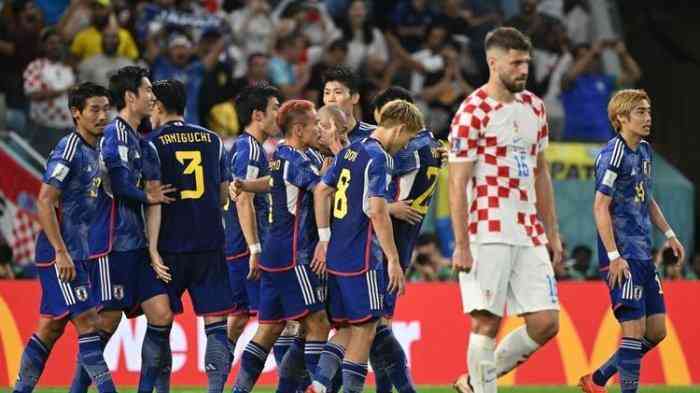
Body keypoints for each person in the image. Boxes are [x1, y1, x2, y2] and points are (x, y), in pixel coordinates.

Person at [448, 27, 562, 393]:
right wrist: (461, 242)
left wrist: (552, 231)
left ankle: (473, 382)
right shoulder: (472, 111)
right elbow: (457, 181)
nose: (523, 70)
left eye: (526, 62)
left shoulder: (534, 107)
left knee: (546, 322)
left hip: (528, 228)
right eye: (516, 63)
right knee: (486, 322)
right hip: (487, 229)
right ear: (493, 62)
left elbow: (541, 171)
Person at [68, 66, 176, 393]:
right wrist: (146, 195)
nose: (153, 97)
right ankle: (76, 389)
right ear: (130, 97)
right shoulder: (111, 134)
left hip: (139, 247)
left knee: (161, 314)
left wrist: (154, 247)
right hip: (110, 243)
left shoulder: (146, 146)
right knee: (107, 321)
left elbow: (156, 200)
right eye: (147, 91)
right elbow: (117, 185)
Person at [306, 99, 423, 393]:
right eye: (408, 138)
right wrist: (393, 259)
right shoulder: (378, 156)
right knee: (366, 331)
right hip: (362, 260)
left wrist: (324, 237)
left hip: (337, 257)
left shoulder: (350, 152)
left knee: (347, 328)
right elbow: (378, 211)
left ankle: (319, 384)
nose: (405, 144)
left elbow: (322, 190)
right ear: (398, 129)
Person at [579, 89, 685, 393]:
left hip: (642, 252)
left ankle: (597, 379)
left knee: (656, 331)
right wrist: (613, 256)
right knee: (633, 329)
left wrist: (670, 234)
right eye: (640, 112)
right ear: (621, 118)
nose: (648, 117)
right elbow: (600, 206)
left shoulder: (645, 151)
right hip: (621, 254)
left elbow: (647, 198)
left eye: (648, 111)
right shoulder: (613, 154)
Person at [13, 82, 116, 393]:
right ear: (76, 113)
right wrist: (60, 251)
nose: (102, 116)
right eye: (94, 110)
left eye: (105, 109)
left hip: (81, 251)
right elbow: (44, 201)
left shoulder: (97, 149)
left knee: (51, 326)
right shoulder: (68, 149)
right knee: (88, 321)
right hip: (59, 252)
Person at [229, 100, 331, 393]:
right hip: (293, 253)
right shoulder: (297, 161)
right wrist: (337, 163)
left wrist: (248, 185)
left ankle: (240, 390)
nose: (319, 129)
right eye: (315, 125)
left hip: (274, 251)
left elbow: (274, 182)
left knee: (270, 327)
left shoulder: (280, 156)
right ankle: (318, 389)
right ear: (299, 130)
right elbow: (322, 190)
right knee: (318, 323)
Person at [142, 79, 235, 392]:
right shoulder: (214, 140)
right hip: (209, 243)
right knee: (216, 325)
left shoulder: (151, 142)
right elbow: (224, 194)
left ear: (157, 106)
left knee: (159, 326)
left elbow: (148, 194)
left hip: (167, 246)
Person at [367, 86, 442, 393]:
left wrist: (388, 206)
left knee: (370, 327)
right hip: (403, 242)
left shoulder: (406, 149)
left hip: (384, 244)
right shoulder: (434, 144)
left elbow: (371, 175)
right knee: (376, 325)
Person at [224, 82, 282, 360]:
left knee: (239, 319)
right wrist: (255, 248)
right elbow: (242, 198)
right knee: (275, 320)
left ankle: (217, 382)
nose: (278, 115)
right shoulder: (249, 149)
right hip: (246, 247)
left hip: (241, 245)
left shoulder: (248, 147)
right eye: (274, 109)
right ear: (258, 115)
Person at [560, 39, 642, 141]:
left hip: (601, 138)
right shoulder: (568, 80)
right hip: (574, 138)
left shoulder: (604, 80)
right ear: (575, 61)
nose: (589, 61)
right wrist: (592, 52)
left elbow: (634, 74)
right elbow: (570, 76)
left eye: (593, 58)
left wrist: (622, 55)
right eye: (582, 57)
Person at [23, 27, 77, 155]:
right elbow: (33, 94)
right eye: (51, 43)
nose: (56, 46)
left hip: (68, 127)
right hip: (45, 126)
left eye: (59, 43)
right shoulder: (36, 66)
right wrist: (63, 90)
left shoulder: (67, 69)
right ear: (44, 46)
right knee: (41, 165)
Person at [69, 0, 139, 62]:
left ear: (110, 9)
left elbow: (133, 59)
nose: (97, 11)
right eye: (94, 8)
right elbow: (73, 61)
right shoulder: (82, 36)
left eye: (101, 8)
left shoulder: (123, 35)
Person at [322, 65, 375, 143]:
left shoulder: (372, 135)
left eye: (338, 92)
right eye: (327, 93)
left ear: (354, 98)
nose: (331, 99)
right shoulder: (316, 138)